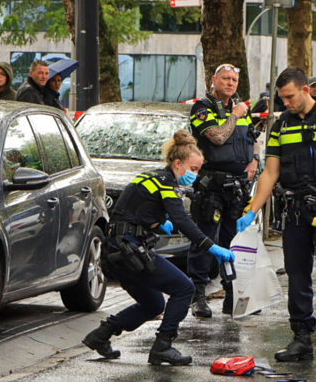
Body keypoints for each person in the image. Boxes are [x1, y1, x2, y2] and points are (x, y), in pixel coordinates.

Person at [237, 67, 316, 366]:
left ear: (306, 90)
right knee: (297, 276)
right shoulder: (281, 125)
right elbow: (271, 170)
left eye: (290, 97)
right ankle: (301, 338)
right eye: (281, 98)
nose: (285, 104)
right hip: (296, 209)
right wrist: (252, 209)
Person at [82, 130, 235, 365]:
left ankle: (101, 335)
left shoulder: (150, 177)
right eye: (193, 170)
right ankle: (163, 346)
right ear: (177, 164)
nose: (195, 175)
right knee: (184, 288)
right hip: (129, 252)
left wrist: (157, 220)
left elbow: (132, 208)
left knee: (153, 304)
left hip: (116, 252)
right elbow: (183, 221)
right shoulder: (167, 184)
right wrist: (211, 247)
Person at [187, 64, 259, 318]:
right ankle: (198, 297)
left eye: (234, 80)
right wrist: (236, 115)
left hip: (238, 186)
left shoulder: (239, 106)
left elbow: (253, 136)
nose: (230, 83)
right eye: (226, 79)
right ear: (213, 80)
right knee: (204, 240)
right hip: (212, 186)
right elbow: (217, 137)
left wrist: (255, 160)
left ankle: (231, 296)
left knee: (233, 242)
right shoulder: (202, 107)